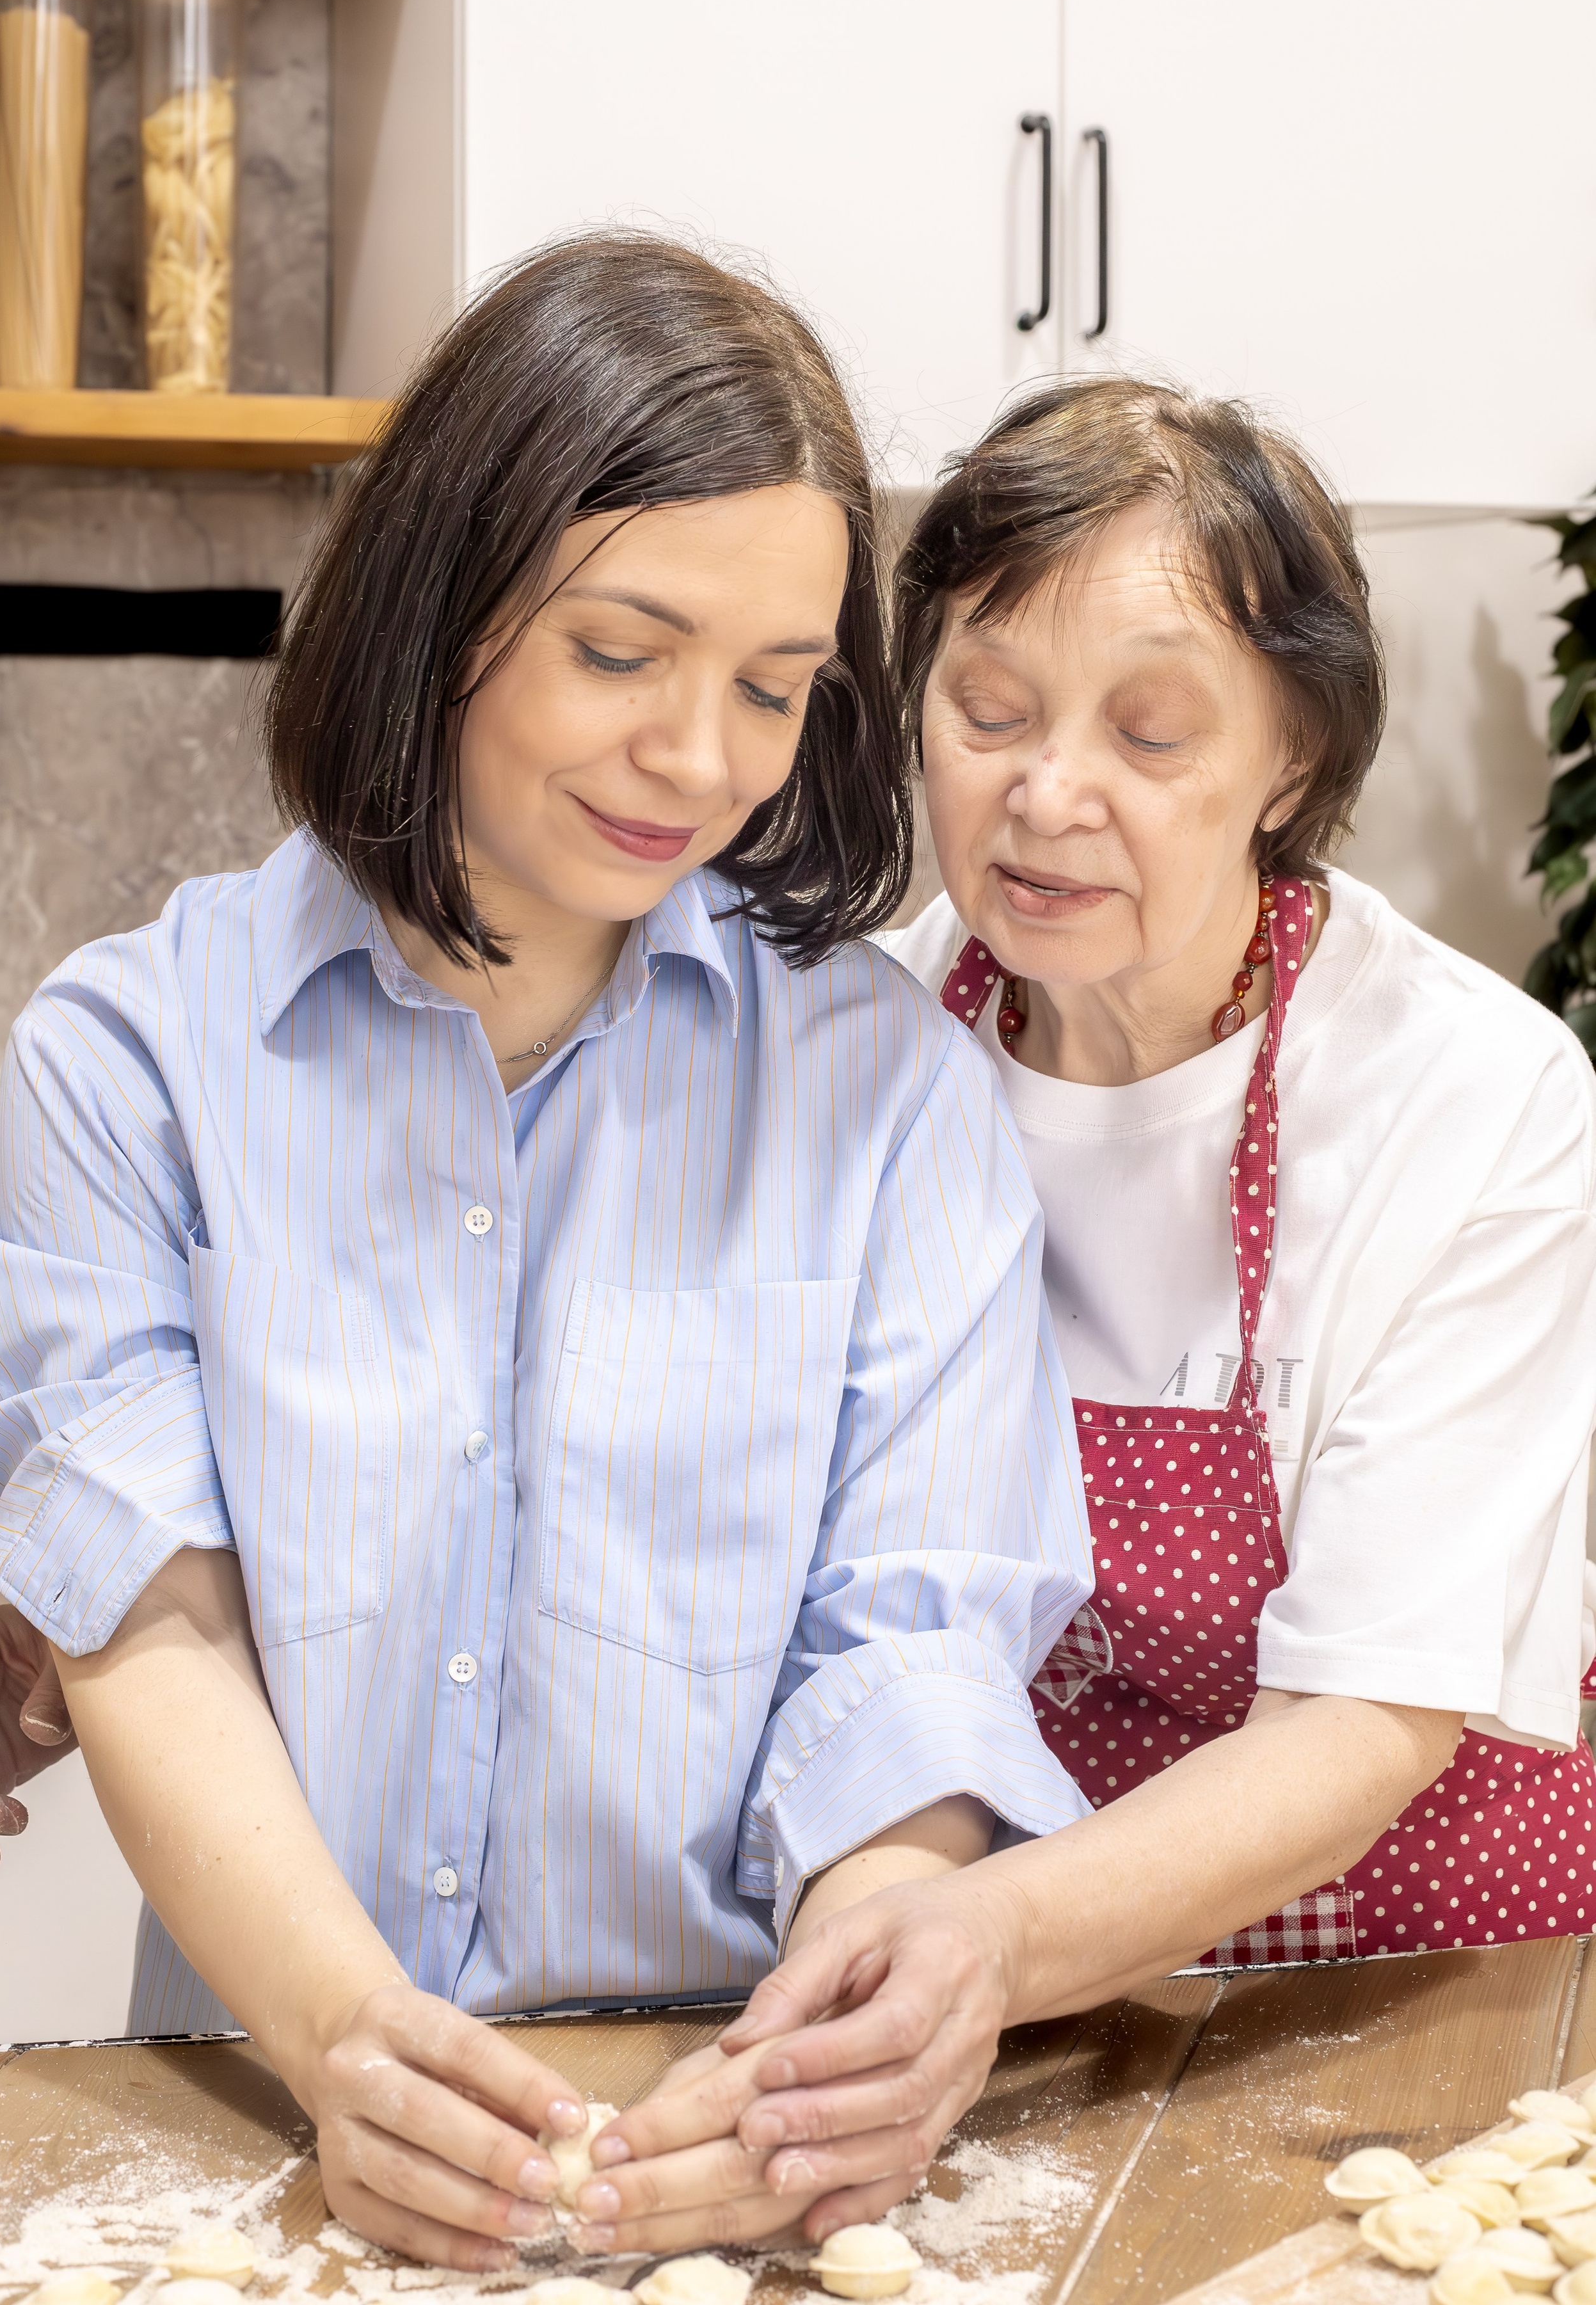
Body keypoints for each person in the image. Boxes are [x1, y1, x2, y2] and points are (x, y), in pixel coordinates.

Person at [0, 238, 1093, 2268]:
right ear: (445, 599)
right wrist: (347, 2040)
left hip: (724, 2134)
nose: (702, 759)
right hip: (263, 2116)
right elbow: (152, 1619)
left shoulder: (887, 1097)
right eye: (622, 652)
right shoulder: (133, 1062)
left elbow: (906, 1651)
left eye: (774, 686)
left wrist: (835, 2032)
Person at [580, 376, 1596, 2247]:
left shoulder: (1470, 1095)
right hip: (1013, 2035)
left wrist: (979, 1938)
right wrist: (905, 1951)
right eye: (988, 712)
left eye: (1152, 732)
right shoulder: (863, 1052)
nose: (1048, 796)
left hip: (1410, 2015)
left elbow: (1366, 1720)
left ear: (1292, 756)